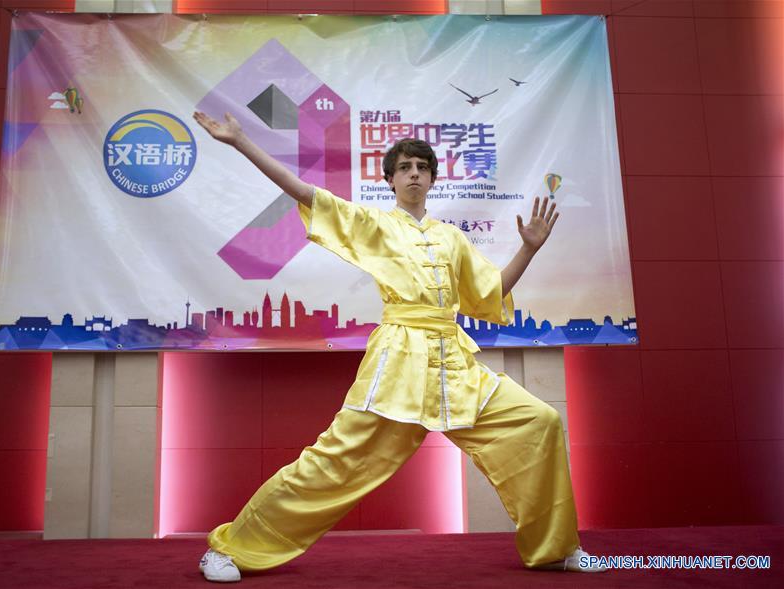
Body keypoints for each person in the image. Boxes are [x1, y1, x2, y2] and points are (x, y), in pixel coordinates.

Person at [192, 111, 607, 582]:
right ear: (389, 179)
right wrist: (243, 142)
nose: (414, 174)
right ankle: (231, 548)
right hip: (399, 364)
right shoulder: (375, 225)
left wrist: (528, 249)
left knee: (540, 422)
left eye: (422, 167)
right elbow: (306, 194)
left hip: (455, 364)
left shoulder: (451, 238)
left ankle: (555, 548)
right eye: (405, 167)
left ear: (431, 178)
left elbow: (487, 294)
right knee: (333, 463)